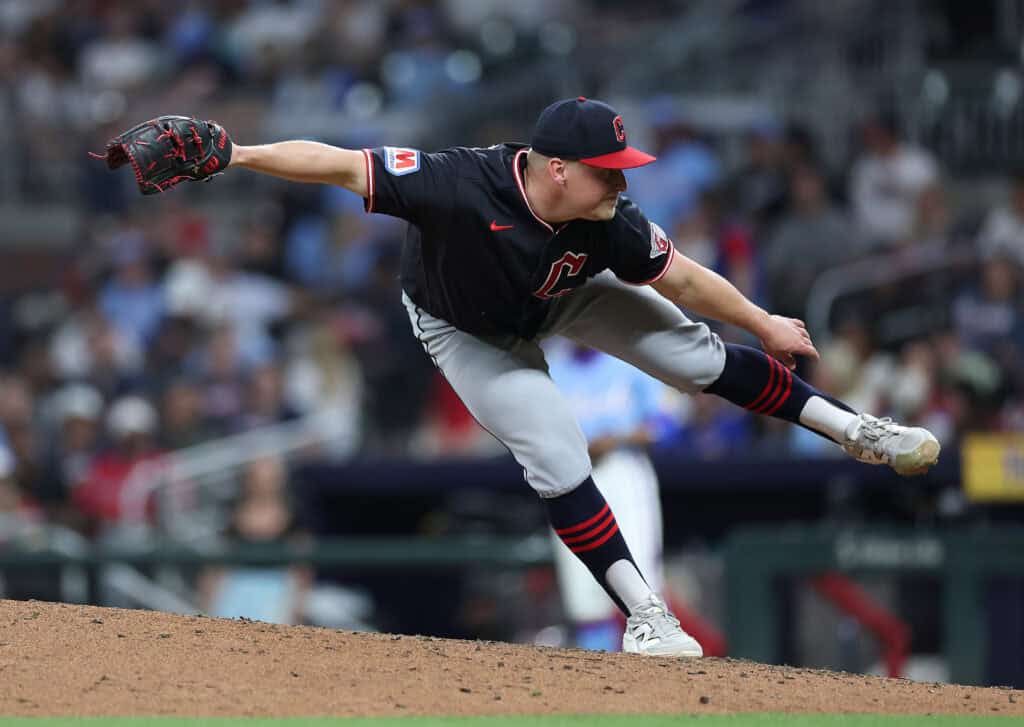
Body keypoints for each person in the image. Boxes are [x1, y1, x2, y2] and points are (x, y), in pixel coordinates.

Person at [105, 97, 941, 657]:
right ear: (555, 169)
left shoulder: (607, 217)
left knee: (699, 356)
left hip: (562, 298)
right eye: (608, 165)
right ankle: (646, 618)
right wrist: (239, 153)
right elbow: (337, 164)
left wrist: (760, 319)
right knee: (555, 446)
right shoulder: (457, 184)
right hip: (464, 327)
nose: (622, 177)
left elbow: (682, 277)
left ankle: (858, 432)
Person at [544, 341, 672, 652]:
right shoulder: (548, 362)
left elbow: (666, 426)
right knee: (583, 588)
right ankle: (599, 681)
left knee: (640, 573)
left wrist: (616, 439)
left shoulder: (628, 353)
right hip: (571, 471)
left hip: (624, 468)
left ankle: (656, 670)